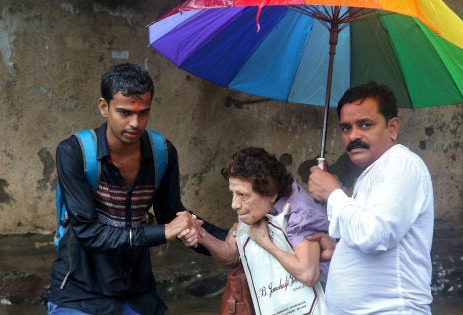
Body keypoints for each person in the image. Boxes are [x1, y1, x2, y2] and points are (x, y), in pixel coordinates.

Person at [47, 63, 227, 315]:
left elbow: (172, 214)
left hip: (137, 293)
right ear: (103, 107)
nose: (135, 122)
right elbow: (88, 232)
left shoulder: (161, 153)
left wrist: (234, 239)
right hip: (79, 293)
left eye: (143, 113)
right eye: (124, 113)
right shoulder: (74, 152)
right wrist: (164, 231)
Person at [307, 81, 434, 314]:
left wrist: (333, 194)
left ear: (392, 127)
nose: (353, 135)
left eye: (365, 125)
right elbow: (371, 235)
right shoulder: (373, 173)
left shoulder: (401, 164)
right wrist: (341, 248)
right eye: (346, 128)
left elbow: (374, 234)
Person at [181, 147, 330, 289]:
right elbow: (232, 256)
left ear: (271, 193)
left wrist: (265, 242)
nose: (234, 204)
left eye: (242, 195)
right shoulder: (255, 207)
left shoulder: (301, 213)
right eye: (233, 193)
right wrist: (203, 236)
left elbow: (308, 275)